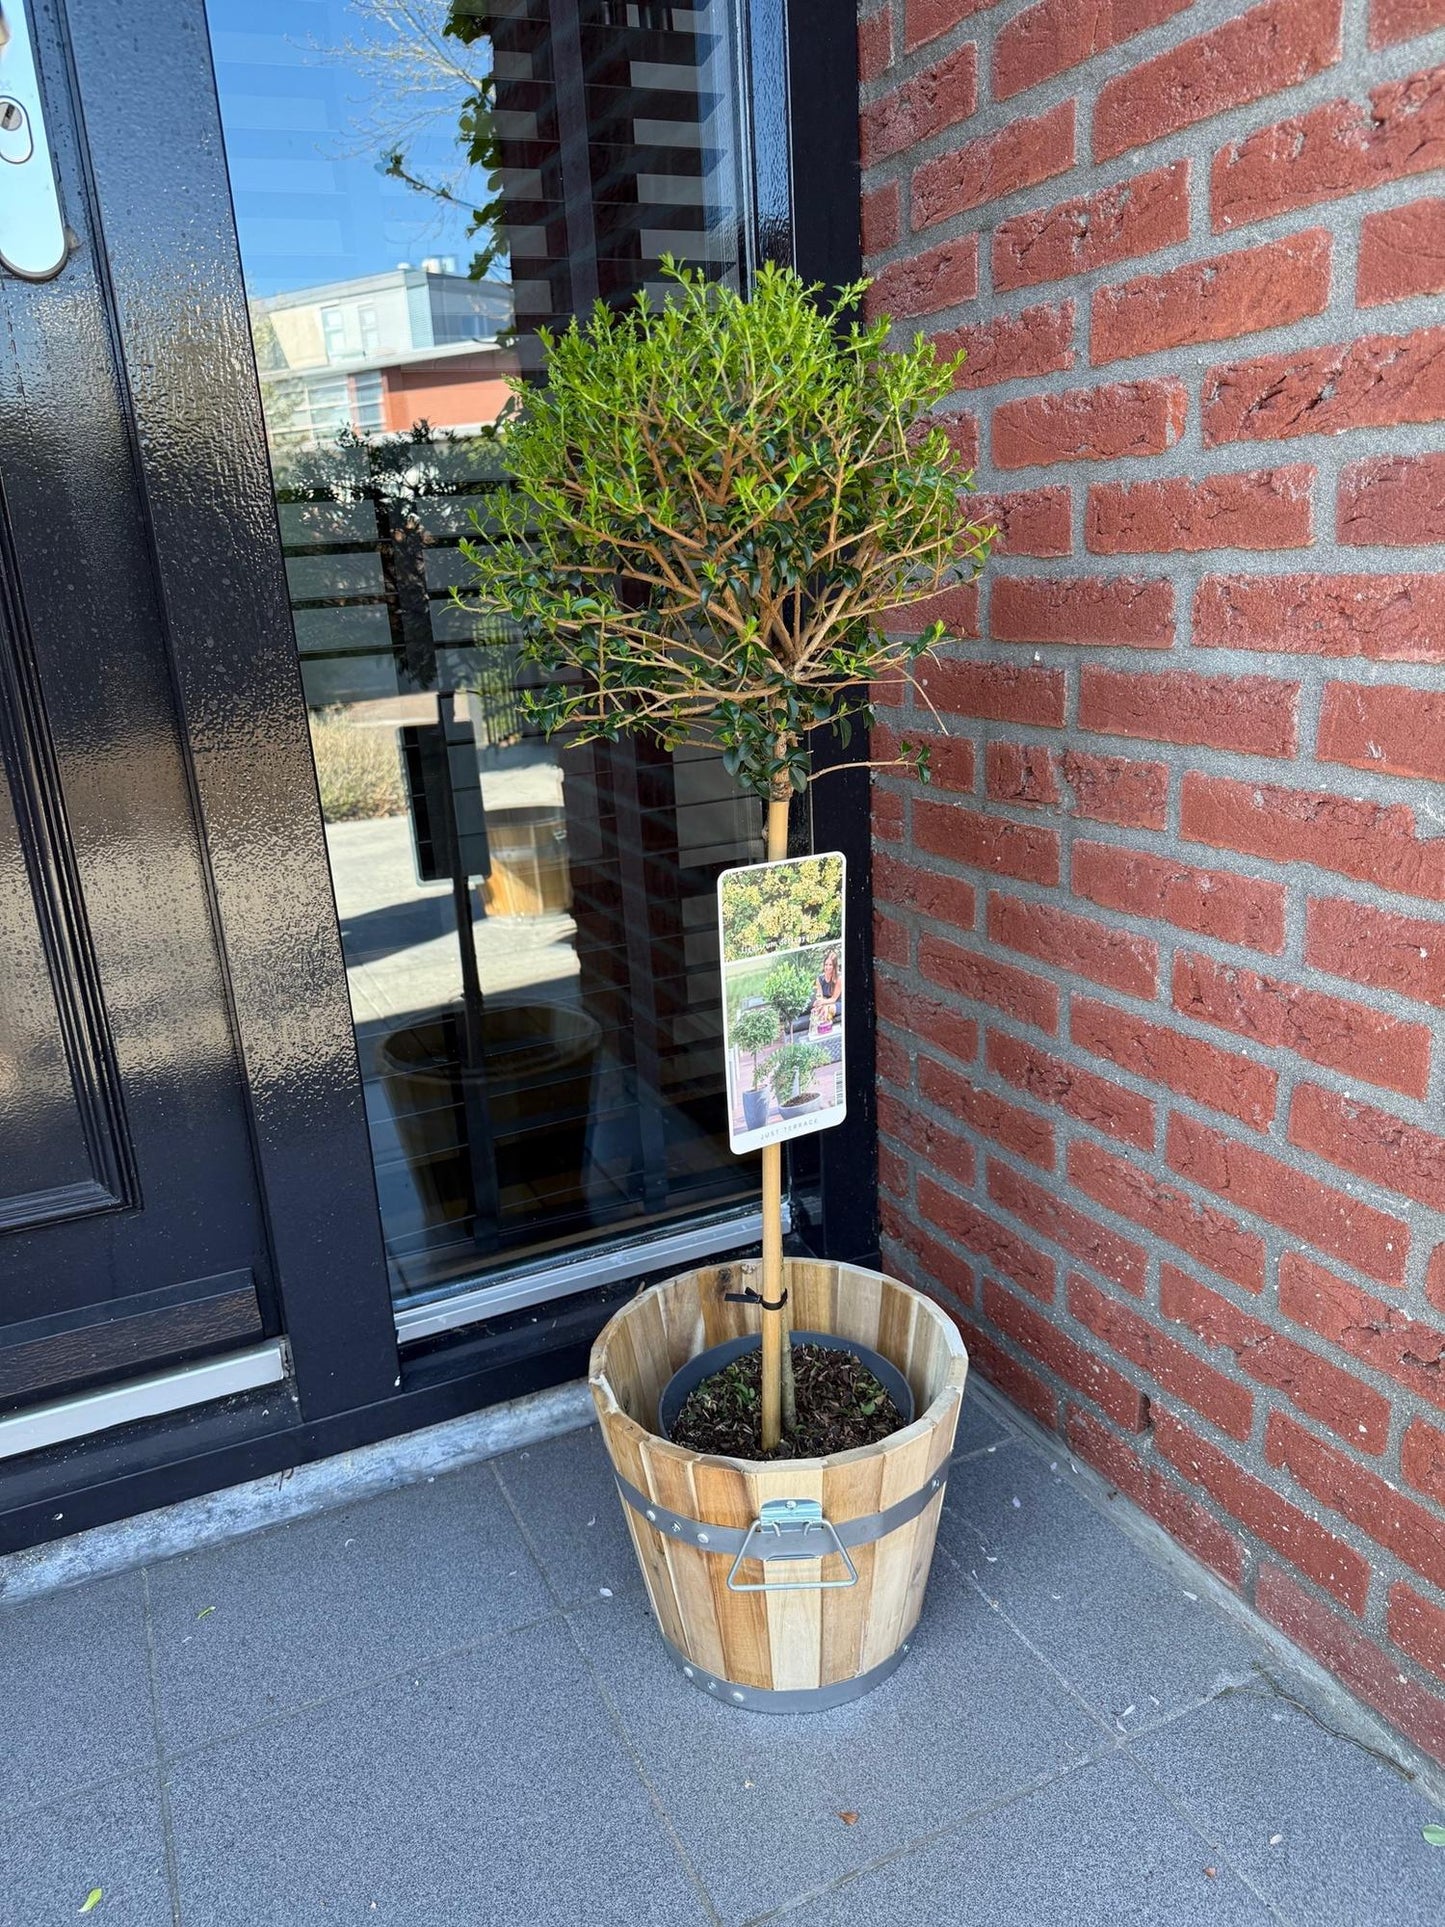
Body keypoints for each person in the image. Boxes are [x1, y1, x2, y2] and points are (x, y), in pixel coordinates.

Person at [812, 949, 842, 1031]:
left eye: (830, 965)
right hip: (826, 1002)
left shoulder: (839, 978)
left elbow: (834, 999)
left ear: (834, 966)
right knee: (816, 1010)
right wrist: (819, 1003)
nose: (827, 967)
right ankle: (817, 1031)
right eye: (826, 964)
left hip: (838, 1003)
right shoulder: (819, 979)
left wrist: (822, 1003)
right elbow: (820, 996)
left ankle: (826, 1030)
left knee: (826, 1009)